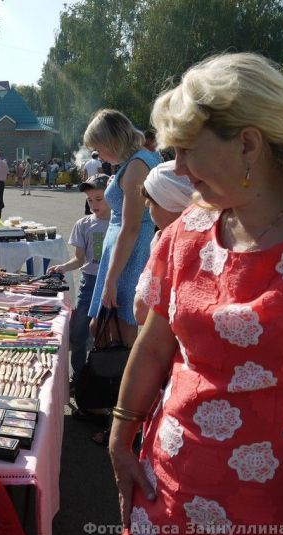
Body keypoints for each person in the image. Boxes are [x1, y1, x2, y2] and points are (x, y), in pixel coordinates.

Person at [110, 52, 283, 535]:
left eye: (187, 150)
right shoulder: (187, 231)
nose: (179, 168)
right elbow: (153, 346)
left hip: (271, 505)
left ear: (249, 144)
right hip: (165, 490)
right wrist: (119, 436)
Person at [84, 109, 161, 347]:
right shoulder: (137, 160)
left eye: (99, 148)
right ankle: (115, 381)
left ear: (112, 141)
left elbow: (130, 227)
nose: (99, 155)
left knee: (120, 329)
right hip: (123, 252)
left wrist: (111, 278)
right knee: (106, 328)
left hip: (129, 253)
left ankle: (120, 382)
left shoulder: (136, 165)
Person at [48, 174, 110, 387]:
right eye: (89, 200)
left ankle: (107, 378)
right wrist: (63, 267)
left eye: (99, 199)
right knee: (79, 332)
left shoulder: (122, 223)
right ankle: (80, 377)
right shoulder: (83, 224)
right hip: (89, 282)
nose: (93, 204)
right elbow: (79, 258)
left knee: (108, 333)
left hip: (114, 283)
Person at [132, 161, 195, 325]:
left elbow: (141, 312)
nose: (147, 205)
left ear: (170, 203)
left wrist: (156, 255)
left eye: (151, 201)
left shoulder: (171, 243)